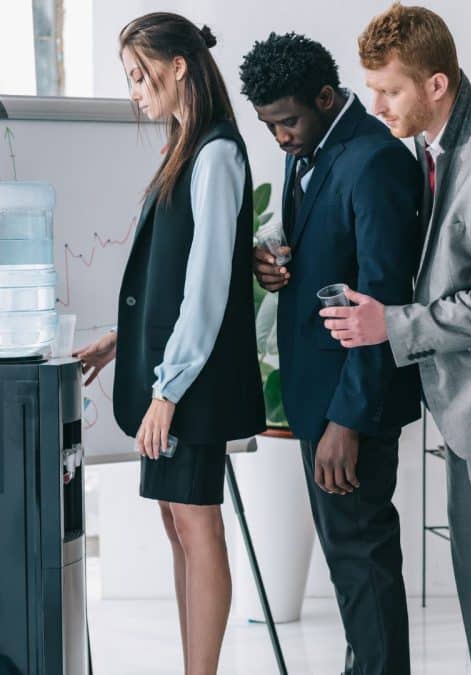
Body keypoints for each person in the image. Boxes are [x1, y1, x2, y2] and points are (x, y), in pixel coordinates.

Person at [321, 4, 471, 673]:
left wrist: (391, 325)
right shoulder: (447, 133)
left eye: (389, 89)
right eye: (371, 87)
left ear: (436, 84)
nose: (374, 106)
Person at [74, 13, 265, 675]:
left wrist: (167, 390)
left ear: (178, 65)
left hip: (193, 386)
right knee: (177, 524)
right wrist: (118, 341)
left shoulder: (216, 152)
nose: (133, 90)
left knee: (198, 523)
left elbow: (208, 287)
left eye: (139, 74)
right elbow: (169, 279)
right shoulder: (186, 146)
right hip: (172, 376)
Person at [239, 31, 424, 675]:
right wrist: (274, 264)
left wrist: (347, 421)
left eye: (288, 120)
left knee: (363, 560)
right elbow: (324, 251)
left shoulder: (376, 160)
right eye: (269, 126)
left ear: (326, 95)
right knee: (349, 560)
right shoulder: (309, 150)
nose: (282, 138)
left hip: (355, 403)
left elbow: (383, 296)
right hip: (318, 396)